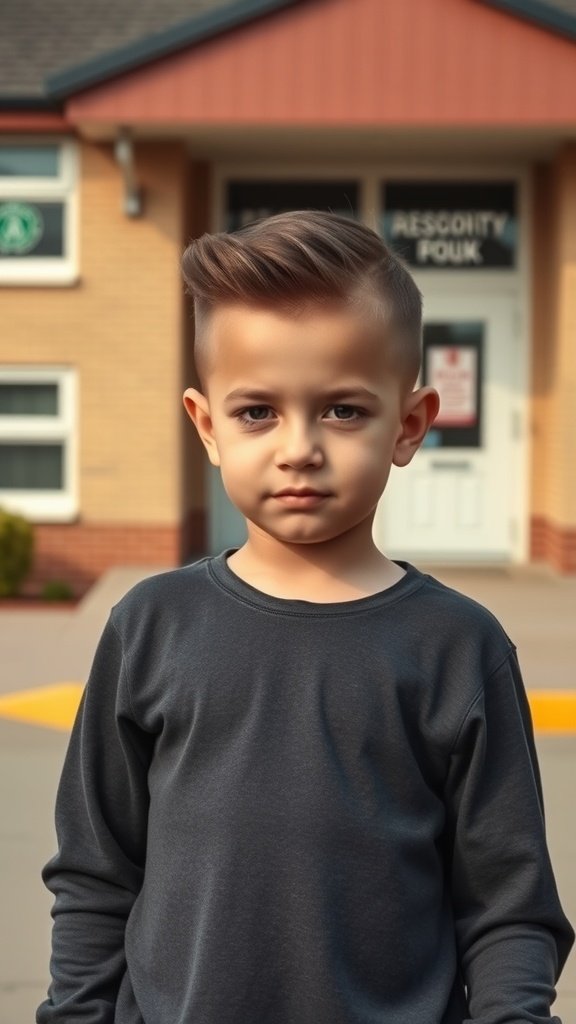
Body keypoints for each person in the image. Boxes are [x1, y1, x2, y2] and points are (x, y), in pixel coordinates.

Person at [38, 210, 573, 1024]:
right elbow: (95, 872)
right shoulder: (150, 627)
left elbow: (508, 908)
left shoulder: (461, 649)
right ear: (207, 426)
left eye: (343, 411)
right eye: (257, 412)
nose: (298, 448)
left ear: (409, 425)